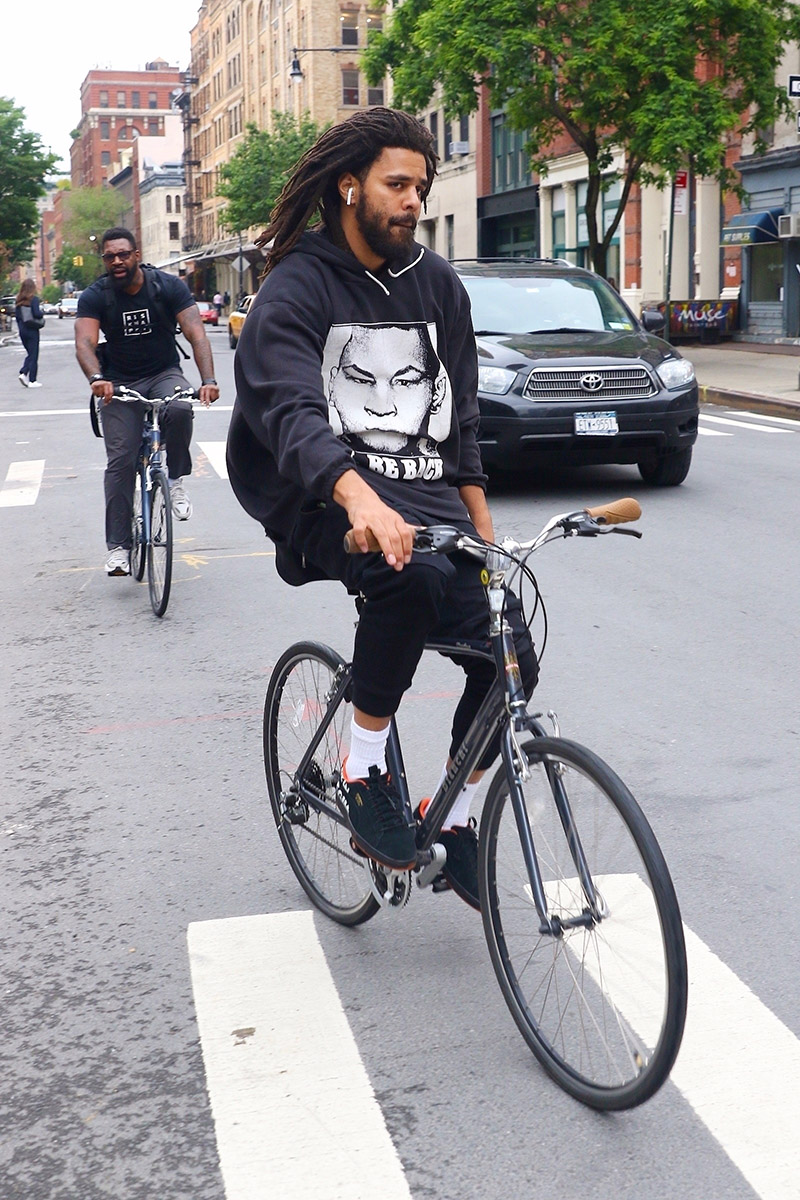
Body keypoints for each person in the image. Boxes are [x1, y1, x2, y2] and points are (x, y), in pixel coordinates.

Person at [227, 108, 537, 909]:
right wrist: (358, 495)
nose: (412, 202)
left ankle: (457, 818)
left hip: (420, 490)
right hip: (314, 490)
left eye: (421, 188)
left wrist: (485, 540)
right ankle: (363, 765)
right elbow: (290, 412)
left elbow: (461, 422)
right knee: (403, 580)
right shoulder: (296, 287)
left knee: (511, 655)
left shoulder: (437, 285)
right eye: (398, 184)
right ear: (349, 185)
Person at [75, 228, 220, 577]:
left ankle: (175, 480)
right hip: (118, 383)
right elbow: (84, 343)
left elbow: (196, 333)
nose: (117, 261)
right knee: (121, 462)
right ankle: (119, 549)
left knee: (181, 408)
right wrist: (98, 379)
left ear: (136, 254)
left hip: (162, 374)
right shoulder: (97, 295)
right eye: (110, 256)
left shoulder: (167, 287)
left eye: (123, 254)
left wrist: (209, 380)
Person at [15, 279, 44, 389]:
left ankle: (24, 373)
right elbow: (36, 313)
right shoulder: (34, 299)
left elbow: (18, 318)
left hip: (23, 331)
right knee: (34, 354)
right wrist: (42, 313)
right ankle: (32, 380)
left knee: (30, 354)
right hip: (32, 330)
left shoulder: (18, 301)